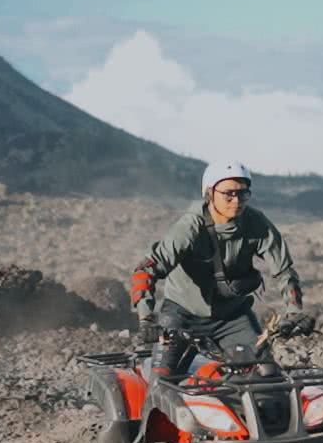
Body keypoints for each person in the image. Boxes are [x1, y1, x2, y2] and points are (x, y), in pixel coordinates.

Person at [129, 161, 312, 375]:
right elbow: (146, 270)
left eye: (243, 194)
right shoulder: (190, 226)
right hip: (182, 315)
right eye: (228, 194)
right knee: (161, 380)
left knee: (266, 373)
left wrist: (294, 312)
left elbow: (284, 272)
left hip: (232, 317)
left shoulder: (256, 223)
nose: (237, 201)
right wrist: (146, 319)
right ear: (209, 194)